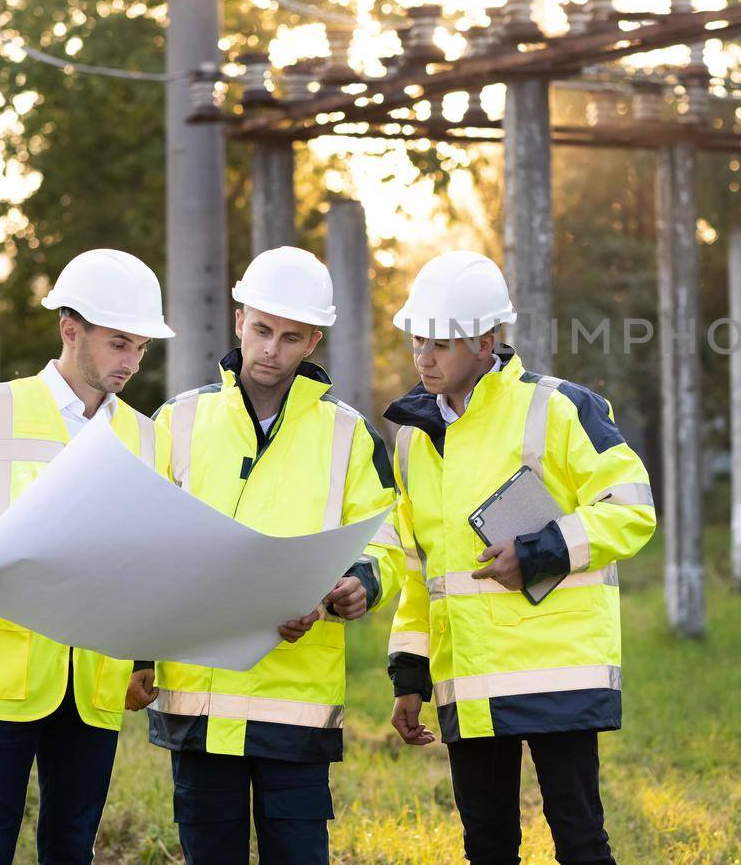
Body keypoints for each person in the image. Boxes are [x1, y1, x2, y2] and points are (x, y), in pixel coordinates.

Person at [380, 250, 655, 865]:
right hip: (470, 681)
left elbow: (631, 508)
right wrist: (410, 677)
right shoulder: (412, 443)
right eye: (418, 339)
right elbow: (421, 569)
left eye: (442, 344)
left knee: (581, 843)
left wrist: (539, 552)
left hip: (556, 670)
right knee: (488, 848)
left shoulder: (558, 408)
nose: (424, 356)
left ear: (485, 340)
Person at [0, 248, 174, 864]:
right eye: (118, 343)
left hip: (96, 679)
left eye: (140, 348)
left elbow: (153, 558)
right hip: (2, 670)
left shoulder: (147, 438)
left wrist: (143, 659)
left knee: (72, 847)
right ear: (69, 329)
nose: (131, 362)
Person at [140, 246, 402, 865]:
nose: (270, 350)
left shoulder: (348, 434)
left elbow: (386, 539)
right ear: (239, 320)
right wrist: (136, 657)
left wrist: (361, 582)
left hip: (296, 701)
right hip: (197, 700)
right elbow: (140, 544)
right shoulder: (177, 421)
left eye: (290, 337)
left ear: (312, 340)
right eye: (261, 330)